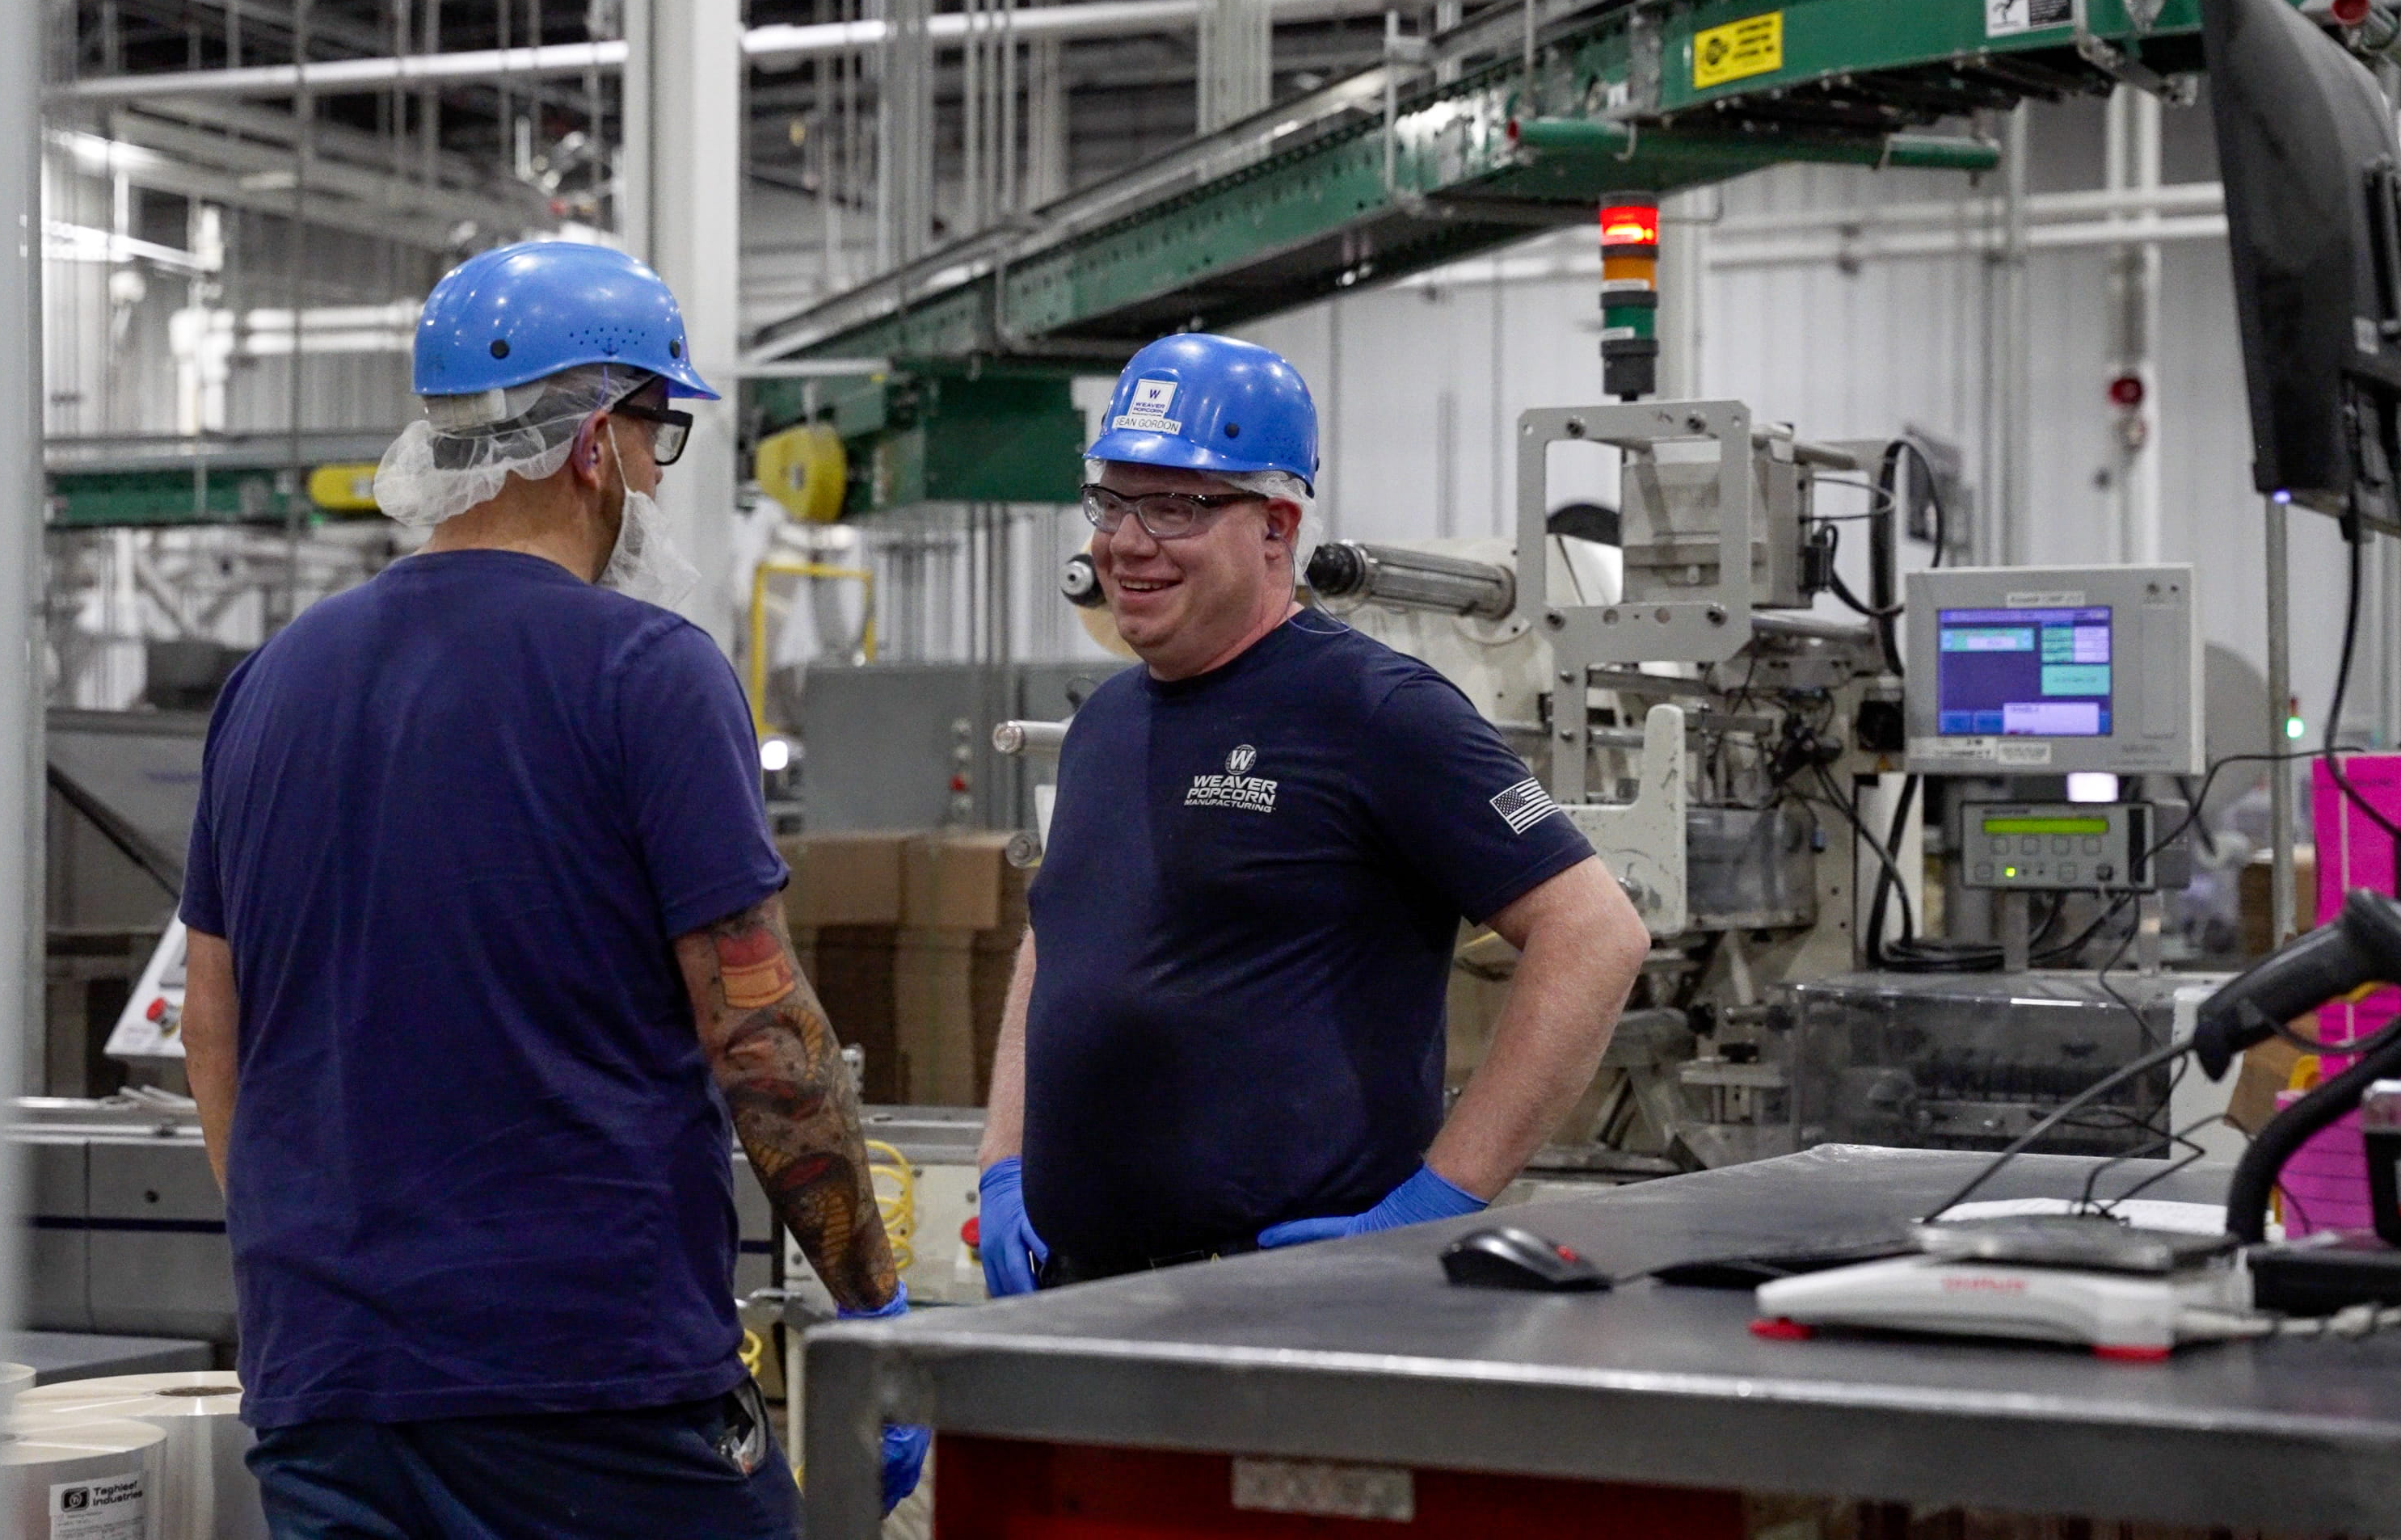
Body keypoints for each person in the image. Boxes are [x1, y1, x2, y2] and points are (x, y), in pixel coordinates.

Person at [178, 240, 926, 1538]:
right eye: (657, 437)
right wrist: (874, 1309)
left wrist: (320, 1278)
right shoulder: (650, 672)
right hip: (593, 1392)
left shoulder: (272, 685)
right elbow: (759, 1037)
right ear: (593, 446)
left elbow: (210, 1023)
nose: (653, 475)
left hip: (330, 1394)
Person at [975, 332, 1651, 1292]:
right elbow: (1060, 945)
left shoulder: (1375, 711)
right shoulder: (1108, 723)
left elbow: (1595, 932)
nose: (1127, 542)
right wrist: (1005, 1165)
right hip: (1077, 1286)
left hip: (1282, 1301)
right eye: (1112, 500)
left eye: (1174, 506)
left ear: (1278, 529)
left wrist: (1437, 1203)